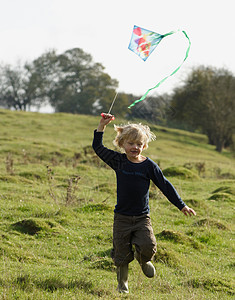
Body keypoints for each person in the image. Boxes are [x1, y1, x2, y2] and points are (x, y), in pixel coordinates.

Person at [92, 113, 196, 294]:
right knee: (121, 253)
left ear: (144, 146)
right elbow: (98, 147)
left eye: (139, 144)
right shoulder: (118, 161)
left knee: (148, 245)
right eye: (131, 143)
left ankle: (144, 259)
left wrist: (182, 205)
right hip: (122, 217)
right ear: (122, 143)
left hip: (142, 218)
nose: (135, 147)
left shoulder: (149, 166)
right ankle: (122, 284)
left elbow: (165, 185)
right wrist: (102, 125)